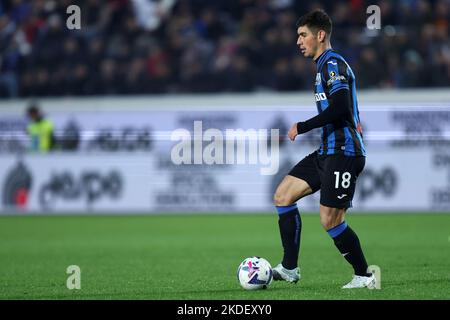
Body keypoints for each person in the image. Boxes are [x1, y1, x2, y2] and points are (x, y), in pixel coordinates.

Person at [272, 9, 376, 289]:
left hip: (344, 152)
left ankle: (365, 276)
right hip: (327, 150)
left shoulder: (332, 64)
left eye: (303, 35)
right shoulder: (322, 66)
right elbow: (346, 108)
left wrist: (303, 126)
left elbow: (340, 106)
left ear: (320, 35)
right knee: (283, 195)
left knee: (330, 219)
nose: (298, 41)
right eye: (297, 36)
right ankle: (290, 268)